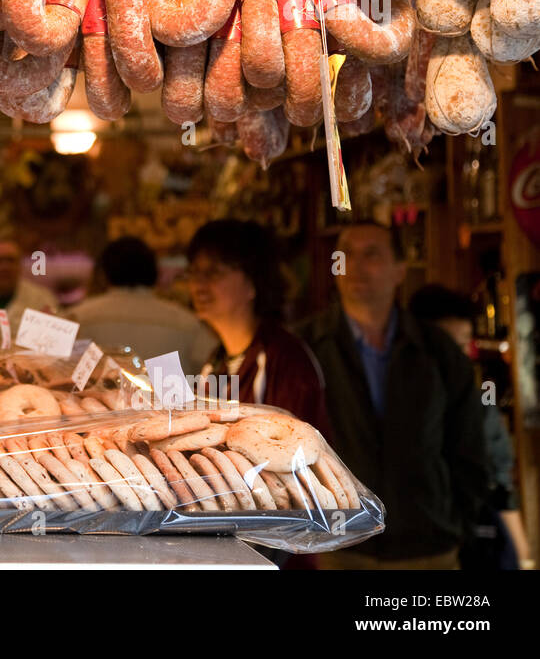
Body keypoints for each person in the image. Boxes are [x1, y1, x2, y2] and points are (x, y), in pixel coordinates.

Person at [298, 222, 490, 569]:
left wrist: (455, 521)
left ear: (400, 269)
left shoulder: (437, 350)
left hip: (427, 546)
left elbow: (469, 447)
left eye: (371, 254)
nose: (354, 265)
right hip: (336, 545)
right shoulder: (305, 347)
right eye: (346, 254)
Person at [410, 284, 530, 570]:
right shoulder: (386, 407)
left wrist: (525, 558)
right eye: (447, 347)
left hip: (466, 545)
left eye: (464, 345)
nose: (459, 358)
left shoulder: (481, 410)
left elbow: (500, 489)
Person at [185, 220, 331, 434]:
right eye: (194, 272)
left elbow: (300, 451)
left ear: (253, 282)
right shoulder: (216, 362)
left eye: (214, 272)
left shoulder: (285, 361)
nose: (199, 284)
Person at [70, 236, 216, 372]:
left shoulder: (77, 318)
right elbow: (214, 373)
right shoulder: (188, 323)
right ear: (154, 272)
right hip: (169, 399)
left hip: (94, 400)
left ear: (104, 273)